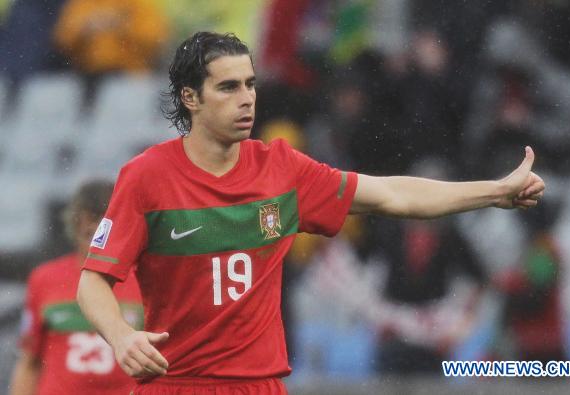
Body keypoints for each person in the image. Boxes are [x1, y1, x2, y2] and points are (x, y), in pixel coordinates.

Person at [77, 32, 545, 394]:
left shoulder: (282, 169)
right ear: (190, 98)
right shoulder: (147, 177)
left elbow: (391, 196)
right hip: (175, 383)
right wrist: (120, 336)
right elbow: (93, 280)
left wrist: (493, 192)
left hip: (260, 385)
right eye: (227, 87)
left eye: (250, 84)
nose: (246, 98)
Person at [9, 180, 144, 395]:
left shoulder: (145, 279)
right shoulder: (44, 278)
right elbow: (29, 362)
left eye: (102, 229)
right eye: (88, 231)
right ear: (74, 225)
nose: (95, 240)